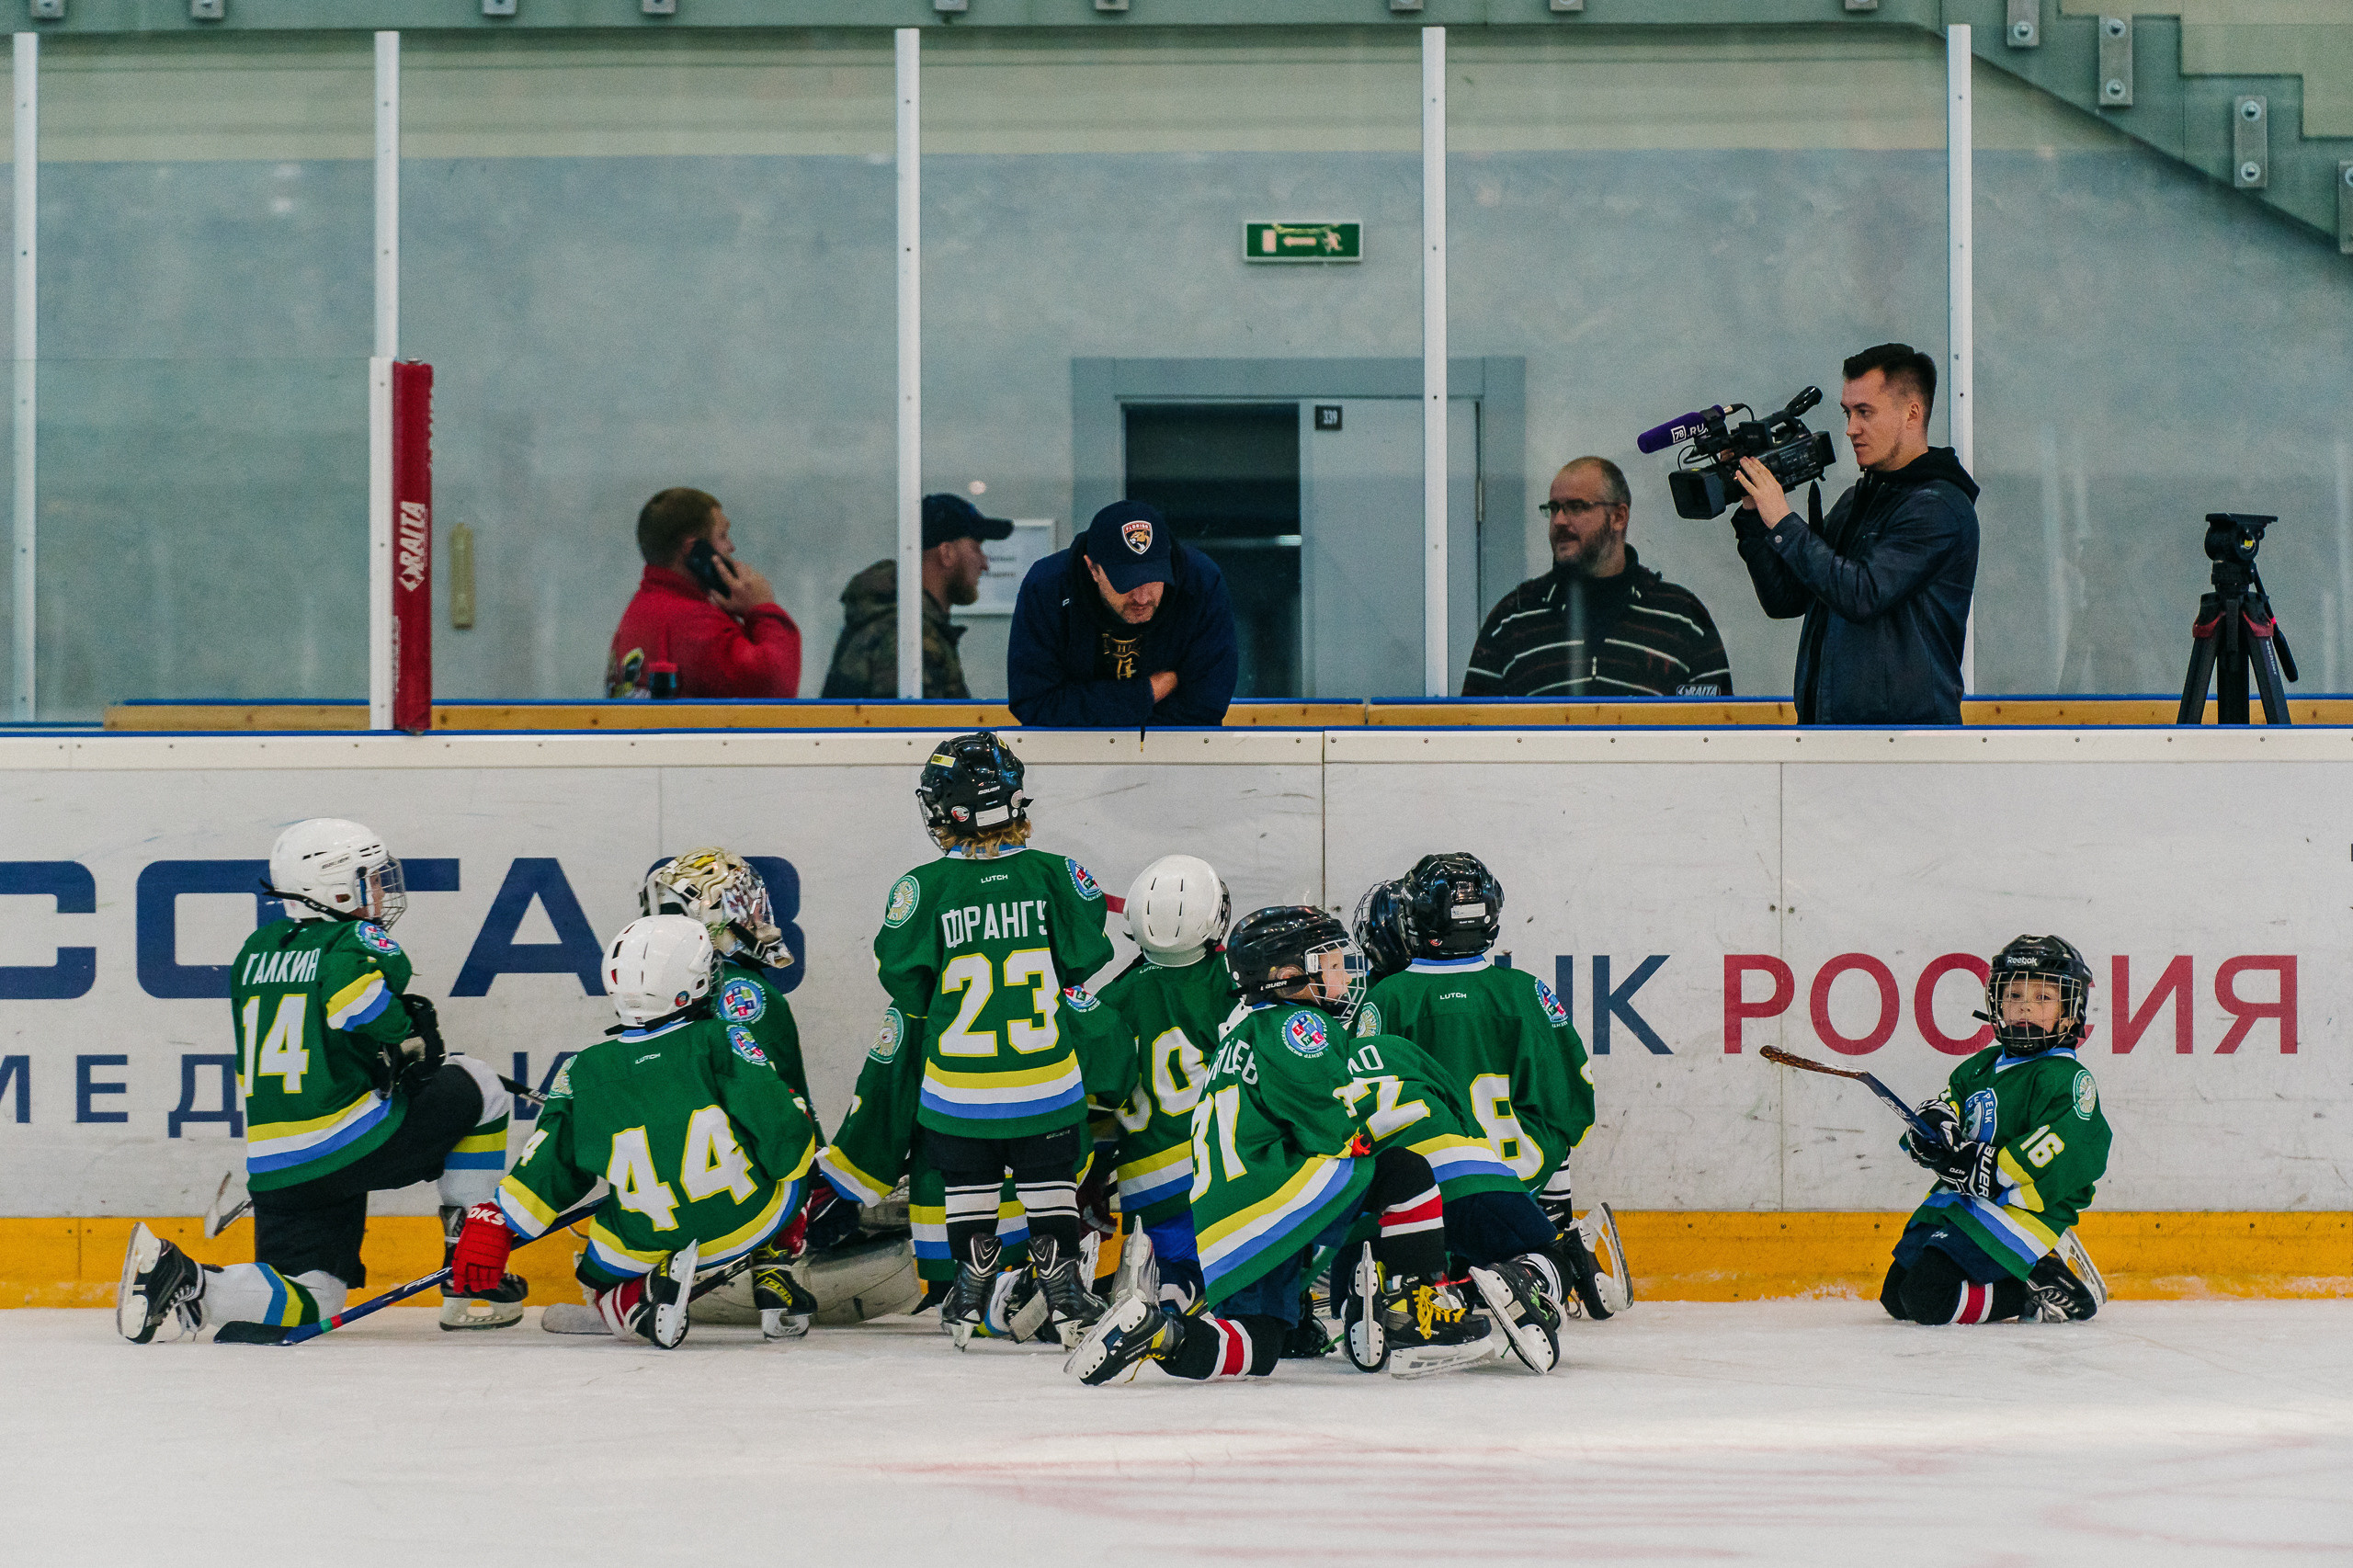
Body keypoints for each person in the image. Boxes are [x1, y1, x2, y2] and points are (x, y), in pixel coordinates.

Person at [1068, 906, 1518, 1387]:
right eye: (1329, 962)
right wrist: (1380, 1129)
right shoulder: (1298, 1024)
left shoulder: (1240, 1031)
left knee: (1257, 1345)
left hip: (1225, 1217)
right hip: (1271, 1188)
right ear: (1287, 977)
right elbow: (1331, 1130)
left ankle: (1161, 1333)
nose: (1343, 972)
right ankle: (1418, 1313)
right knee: (1403, 1174)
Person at [117, 819, 520, 1344]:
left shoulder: (257, 948)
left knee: (312, 1296)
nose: (379, 890)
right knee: (480, 1084)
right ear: (333, 887)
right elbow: (353, 1000)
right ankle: (473, 1283)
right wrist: (404, 1030)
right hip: (346, 1141)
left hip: (277, 1164)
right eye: (368, 878)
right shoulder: (353, 936)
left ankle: (189, 1279)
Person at [449, 915, 819, 1348]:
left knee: (597, 1278)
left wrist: (498, 1218)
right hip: (749, 1220)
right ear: (695, 984)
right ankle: (773, 1267)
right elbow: (786, 1142)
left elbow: (549, 1170)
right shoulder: (725, 1038)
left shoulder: (581, 1070)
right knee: (800, 1152)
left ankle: (634, 1298)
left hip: (648, 1235)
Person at [871, 730, 1118, 1347]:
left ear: (948, 810)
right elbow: (1082, 961)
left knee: (969, 1190)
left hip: (959, 1088)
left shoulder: (921, 888)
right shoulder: (1059, 876)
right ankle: (1064, 1294)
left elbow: (906, 984)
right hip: (1044, 1079)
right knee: (1050, 1189)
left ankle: (968, 1288)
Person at [1354, 854, 1628, 1322]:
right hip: (1511, 1183)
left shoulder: (1389, 996)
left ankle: (1445, 1283)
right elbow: (1569, 1103)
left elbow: (1363, 1098)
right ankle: (1551, 1243)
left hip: (1429, 1187)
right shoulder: (1525, 990)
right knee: (1550, 1144)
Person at [1731, 343, 1980, 726]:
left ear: (1912, 413)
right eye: (1848, 413)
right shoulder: (1855, 501)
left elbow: (1862, 594)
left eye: (1865, 412)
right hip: (1829, 734)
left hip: (1906, 745)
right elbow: (1786, 600)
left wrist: (1783, 520)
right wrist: (1753, 515)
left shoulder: (1939, 507)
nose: (1850, 429)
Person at [1881, 935, 2111, 1326]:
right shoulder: (1979, 1066)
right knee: (1896, 1297)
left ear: (2071, 1012)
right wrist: (1932, 1132)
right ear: (1997, 1003)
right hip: (1964, 1203)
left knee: (1926, 1300)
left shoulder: (2065, 1077)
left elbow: (2070, 1143)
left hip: (2020, 1211)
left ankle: (2030, 1283)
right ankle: (2021, 1273)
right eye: (2014, 994)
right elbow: (1950, 1103)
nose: (2025, 1005)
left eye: (2043, 998)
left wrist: (1993, 1168)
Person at [642, 848, 819, 1335]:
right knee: (788, 1120)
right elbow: (773, 1100)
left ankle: (645, 1265)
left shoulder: (646, 986)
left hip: (658, 1176)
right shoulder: (748, 991)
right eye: (739, 901)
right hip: (727, 1175)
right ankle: (775, 1269)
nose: (753, 914)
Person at [1463, 457, 1732, 699]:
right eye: (1554, 508)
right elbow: (1473, 734)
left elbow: (1717, 735)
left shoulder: (1682, 617)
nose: (1559, 521)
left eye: (1576, 507)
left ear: (1618, 517)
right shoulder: (1513, 617)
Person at [1097, 853, 1236, 1316]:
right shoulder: (1229, 983)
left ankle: (1168, 1288)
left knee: (1175, 1267)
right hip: (1213, 1166)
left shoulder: (1112, 996)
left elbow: (1096, 1097)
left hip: (1142, 1183)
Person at [1006, 500, 1238, 729]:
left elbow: (1206, 706)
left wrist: (1094, 708)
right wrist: (1149, 692)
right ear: (1092, 569)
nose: (1142, 598)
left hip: (1178, 753)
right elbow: (1034, 704)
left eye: (1154, 578)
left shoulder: (1200, 581)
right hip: (1071, 756)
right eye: (1126, 583)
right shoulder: (1048, 587)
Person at [608, 486, 801, 699]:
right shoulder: (693, 623)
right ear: (694, 551)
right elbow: (774, 689)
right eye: (723, 535)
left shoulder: (643, 609)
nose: (732, 547)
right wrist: (762, 609)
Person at [820, 493, 1012, 701]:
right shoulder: (907, 636)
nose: (985, 564)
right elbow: (912, 731)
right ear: (946, 553)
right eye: (976, 548)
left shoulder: (909, 625)